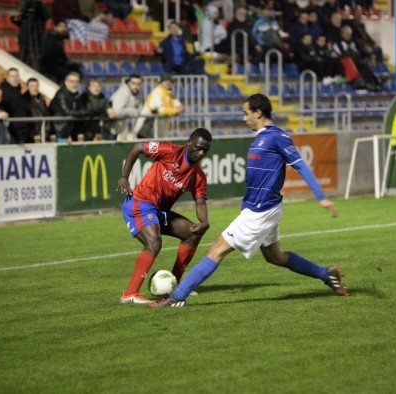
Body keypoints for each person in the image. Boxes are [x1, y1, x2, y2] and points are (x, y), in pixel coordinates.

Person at [148, 94, 347, 308]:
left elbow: (301, 165)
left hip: (261, 210)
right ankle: (327, 274)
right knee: (275, 256)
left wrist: (321, 197)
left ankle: (176, 298)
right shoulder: (262, 137)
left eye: (246, 113)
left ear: (258, 112)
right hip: (261, 207)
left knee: (217, 249)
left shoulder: (277, 137)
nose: (244, 118)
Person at [116, 128, 213, 304]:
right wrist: (124, 176)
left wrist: (205, 222)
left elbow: (200, 203)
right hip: (140, 203)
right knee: (154, 242)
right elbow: (138, 147)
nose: (201, 153)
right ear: (189, 142)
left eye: (205, 150)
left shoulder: (198, 176)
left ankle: (176, 284)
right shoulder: (170, 151)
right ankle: (129, 294)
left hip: (159, 211)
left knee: (193, 233)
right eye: (198, 147)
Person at [134, 73, 183, 139]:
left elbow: (179, 107)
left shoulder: (170, 93)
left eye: (170, 82)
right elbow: (161, 110)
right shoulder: (157, 92)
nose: (169, 83)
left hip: (158, 129)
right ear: (161, 82)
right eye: (166, 81)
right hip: (145, 127)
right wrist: (175, 111)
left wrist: (176, 111)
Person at [49, 71, 88, 142]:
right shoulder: (61, 94)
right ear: (66, 82)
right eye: (72, 81)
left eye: (77, 82)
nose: (74, 84)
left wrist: (83, 112)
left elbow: (83, 109)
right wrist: (82, 114)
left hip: (72, 130)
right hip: (60, 130)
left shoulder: (76, 94)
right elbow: (67, 111)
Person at [11, 0, 50, 70]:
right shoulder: (25, 3)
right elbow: (20, 16)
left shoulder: (40, 5)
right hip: (24, 38)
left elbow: (47, 15)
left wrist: (38, 4)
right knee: (22, 59)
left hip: (37, 39)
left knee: (35, 60)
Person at [0, 68, 31, 143]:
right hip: (12, 128)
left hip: (22, 127)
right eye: (12, 76)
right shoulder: (4, 91)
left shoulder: (18, 91)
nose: (15, 78)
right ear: (7, 78)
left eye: (16, 76)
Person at [109, 74, 143, 140]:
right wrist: (133, 111)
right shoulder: (123, 92)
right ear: (128, 83)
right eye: (133, 83)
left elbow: (139, 108)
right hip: (111, 128)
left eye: (138, 84)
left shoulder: (136, 93)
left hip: (122, 127)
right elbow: (116, 111)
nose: (136, 86)